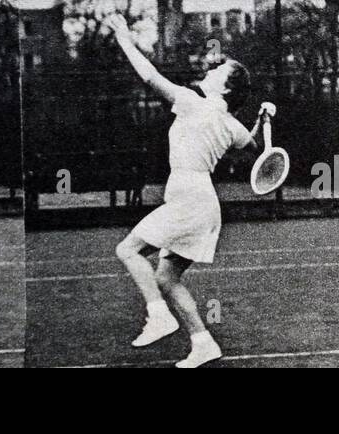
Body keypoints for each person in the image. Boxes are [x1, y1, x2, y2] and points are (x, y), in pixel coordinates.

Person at [106, 15, 271, 368]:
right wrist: (263, 117)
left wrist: (124, 38)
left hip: (191, 199)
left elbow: (149, 76)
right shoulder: (230, 123)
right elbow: (254, 144)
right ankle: (203, 342)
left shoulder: (196, 104)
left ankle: (158, 315)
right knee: (166, 277)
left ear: (225, 87)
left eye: (217, 71)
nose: (209, 72)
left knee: (128, 250)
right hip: (201, 203)